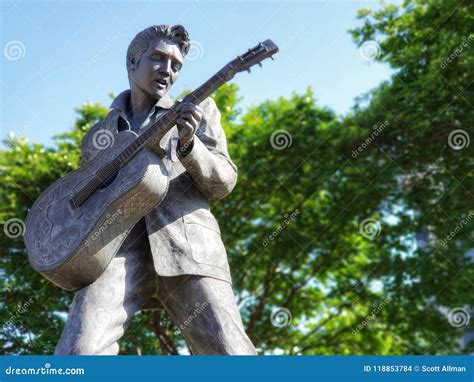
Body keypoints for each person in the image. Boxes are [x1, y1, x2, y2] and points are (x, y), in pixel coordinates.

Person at [55, 24, 256, 355]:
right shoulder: (99, 134)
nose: (168, 70)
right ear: (133, 61)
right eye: (158, 59)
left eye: (176, 65)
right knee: (78, 352)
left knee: (229, 354)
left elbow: (223, 181)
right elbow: (86, 203)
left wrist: (190, 145)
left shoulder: (200, 110)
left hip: (189, 248)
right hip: (114, 251)